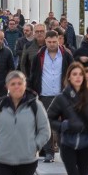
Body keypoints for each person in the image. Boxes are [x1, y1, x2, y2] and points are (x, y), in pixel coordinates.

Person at [29, 30, 73, 162]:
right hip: (45, 94)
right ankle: (49, 152)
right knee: (46, 124)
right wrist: (33, 90)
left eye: (55, 41)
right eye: (49, 42)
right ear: (45, 41)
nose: (52, 44)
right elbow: (34, 74)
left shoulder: (66, 55)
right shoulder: (39, 56)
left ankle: (64, 150)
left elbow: (73, 71)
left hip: (63, 95)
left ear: (59, 40)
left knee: (64, 124)